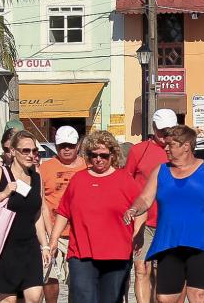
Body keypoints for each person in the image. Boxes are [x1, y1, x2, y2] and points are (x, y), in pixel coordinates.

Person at [124, 125, 204, 303]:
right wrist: (134, 209)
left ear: (186, 146)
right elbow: (145, 199)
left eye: (170, 144)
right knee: (165, 298)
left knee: (198, 296)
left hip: (203, 242)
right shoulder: (161, 170)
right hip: (169, 242)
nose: (165, 148)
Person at [48, 130, 143, 303]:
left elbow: (141, 207)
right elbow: (64, 211)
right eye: (94, 155)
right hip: (81, 253)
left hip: (117, 253)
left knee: (110, 299)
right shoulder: (78, 179)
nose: (98, 159)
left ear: (112, 155)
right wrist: (53, 240)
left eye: (103, 155)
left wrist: (138, 233)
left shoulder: (125, 180)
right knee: (82, 298)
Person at [0, 130, 50, 303]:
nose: (31, 155)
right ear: (13, 151)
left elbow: (37, 214)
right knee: (8, 300)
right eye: (26, 150)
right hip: (5, 247)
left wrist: (44, 245)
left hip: (29, 246)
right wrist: (4, 193)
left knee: (35, 297)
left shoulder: (37, 178)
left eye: (34, 151)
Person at [125, 108, 177, 303]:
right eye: (161, 130)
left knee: (162, 271)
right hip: (143, 220)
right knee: (141, 268)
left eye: (169, 130)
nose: (164, 134)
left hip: (169, 220)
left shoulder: (179, 151)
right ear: (153, 127)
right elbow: (126, 182)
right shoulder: (138, 150)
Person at [40, 126, 87, 303]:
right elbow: (40, 200)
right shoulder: (45, 168)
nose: (66, 149)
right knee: (49, 277)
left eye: (70, 145)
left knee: (77, 281)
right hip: (51, 230)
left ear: (78, 145)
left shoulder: (88, 166)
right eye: (62, 145)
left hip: (79, 233)